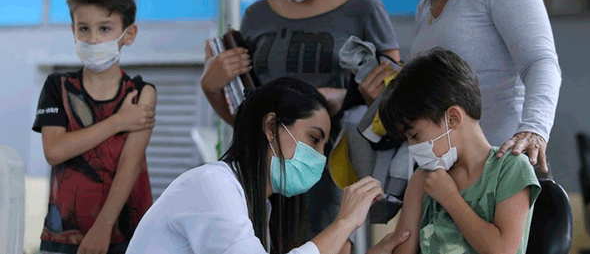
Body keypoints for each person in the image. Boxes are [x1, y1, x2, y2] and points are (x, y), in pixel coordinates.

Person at [200, 0, 401, 250]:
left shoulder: (363, 8)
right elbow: (246, 117)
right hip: (264, 173)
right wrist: (211, 86)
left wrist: (348, 96)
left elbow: (398, 97)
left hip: (329, 167)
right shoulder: (256, 17)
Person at [352, 0, 561, 174]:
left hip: (506, 161)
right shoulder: (424, 8)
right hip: (454, 174)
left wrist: (534, 129)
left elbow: (540, 61)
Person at [126, 77, 410, 254]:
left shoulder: (260, 205)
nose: (320, 159)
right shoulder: (212, 184)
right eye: (313, 139)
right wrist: (345, 222)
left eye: (324, 147)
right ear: (271, 126)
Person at [32, 0, 156, 254]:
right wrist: (118, 121)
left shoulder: (141, 93)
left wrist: (103, 228)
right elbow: (54, 150)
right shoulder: (57, 86)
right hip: (61, 236)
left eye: (104, 28)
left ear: (129, 34)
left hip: (125, 236)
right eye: (84, 28)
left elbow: (130, 164)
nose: (93, 39)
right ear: (73, 30)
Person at [378, 48, 541, 254]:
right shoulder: (423, 180)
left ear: (453, 118)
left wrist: (450, 198)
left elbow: (501, 250)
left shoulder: (510, 168)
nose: (412, 148)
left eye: (416, 136)